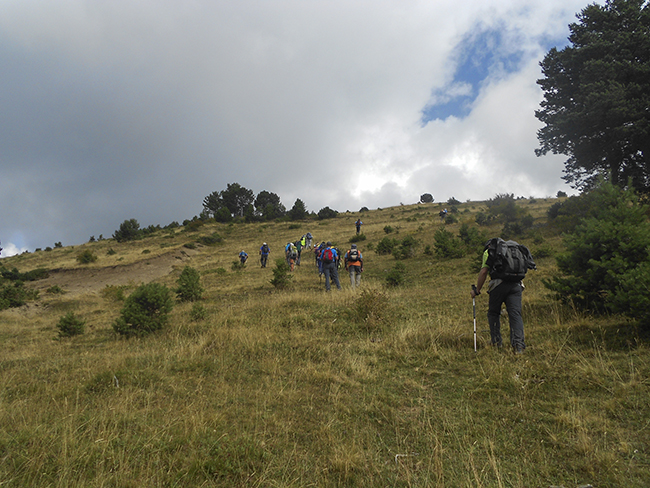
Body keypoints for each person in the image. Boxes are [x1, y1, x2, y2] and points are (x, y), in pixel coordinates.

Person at [470, 238, 535, 354]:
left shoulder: (491, 251)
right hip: (516, 285)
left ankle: (496, 342)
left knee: (493, 313)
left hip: (498, 285)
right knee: (515, 314)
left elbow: (484, 271)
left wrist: (477, 290)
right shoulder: (515, 249)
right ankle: (518, 346)